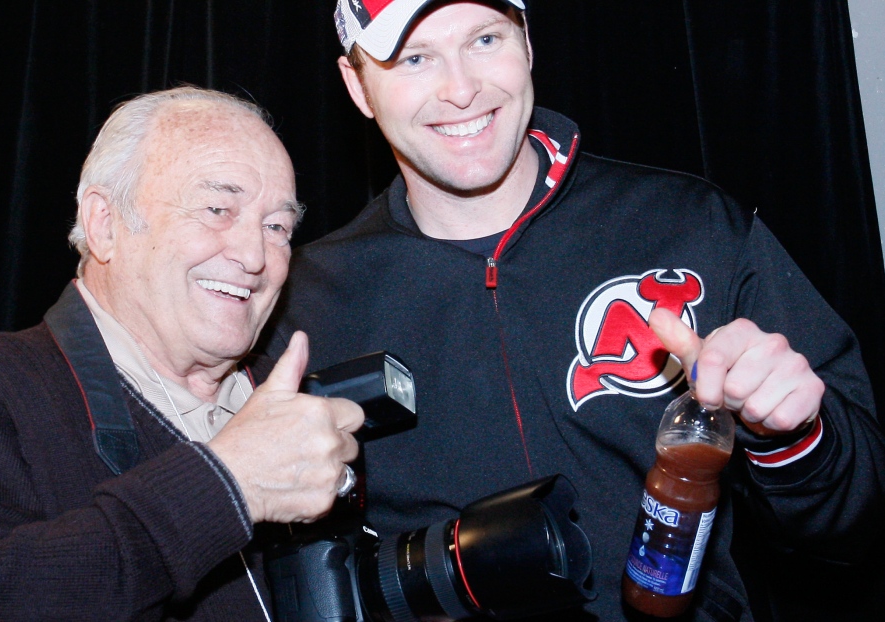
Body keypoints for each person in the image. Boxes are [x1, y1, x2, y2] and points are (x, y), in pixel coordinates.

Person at [258, 1, 885, 620]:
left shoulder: (692, 227)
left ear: (527, 43)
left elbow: (855, 520)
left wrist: (796, 437)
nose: (461, 89)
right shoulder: (303, 304)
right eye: (415, 57)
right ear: (358, 85)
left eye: (484, 41)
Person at [0, 87, 364, 621]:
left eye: (278, 227)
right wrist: (225, 486)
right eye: (217, 208)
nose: (254, 256)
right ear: (104, 224)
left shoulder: (300, 407)